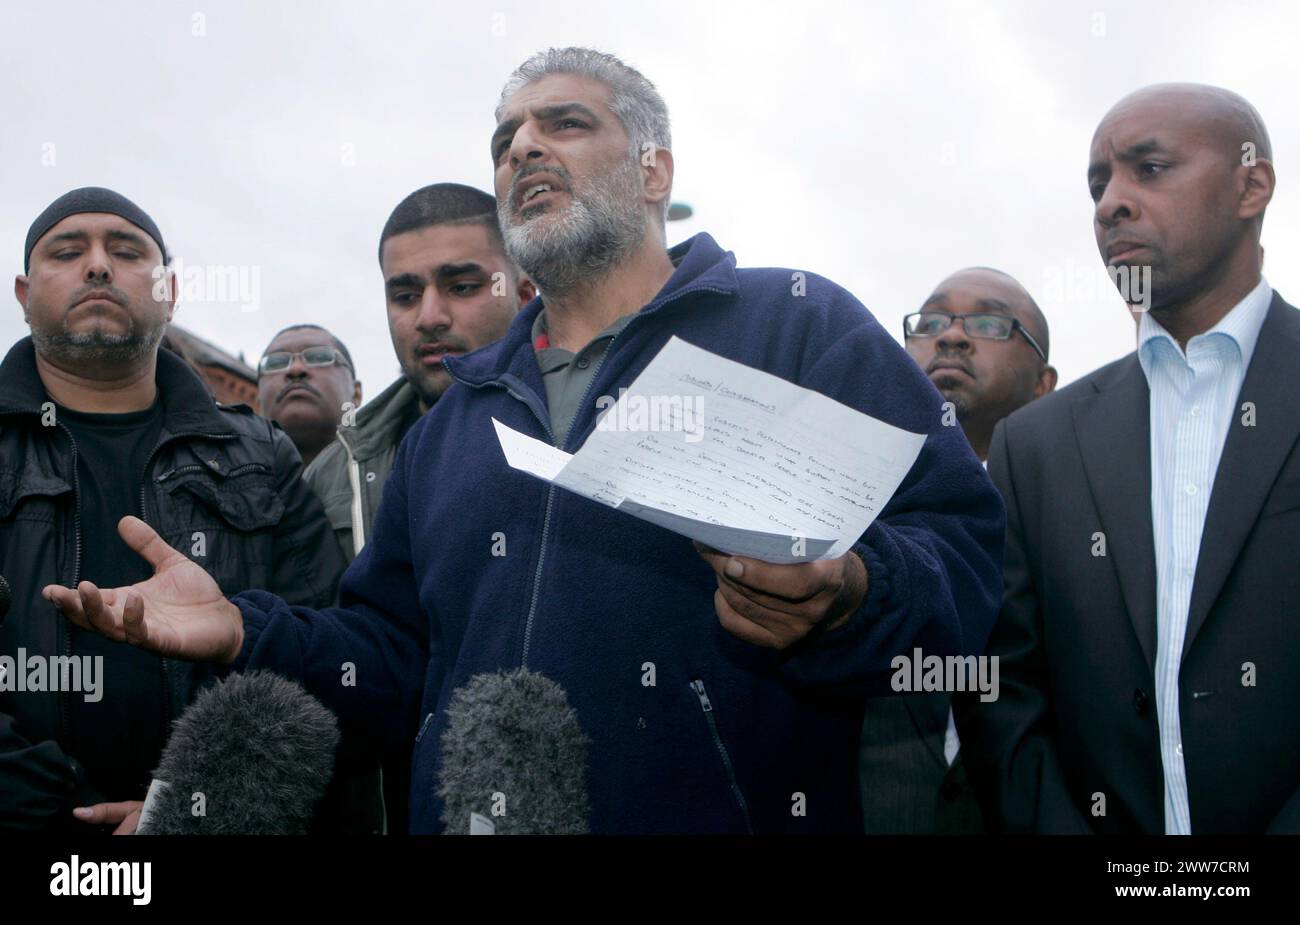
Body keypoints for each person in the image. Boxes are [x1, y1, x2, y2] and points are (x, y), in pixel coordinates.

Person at [47, 49, 1003, 834]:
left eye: (565, 124)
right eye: (505, 140)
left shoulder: (796, 326)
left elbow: (961, 554)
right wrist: (244, 626)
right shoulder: (452, 423)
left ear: (654, 170)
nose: (523, 149)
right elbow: (389, 660)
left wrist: (848, 595)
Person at [955, 83, 1300, 833]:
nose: (1111, 202)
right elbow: (1002, 689)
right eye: (1098, 183)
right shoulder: (1036, 443)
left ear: (1252, 184)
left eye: (1148, 168)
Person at [1, 187, 345, 832]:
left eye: (127, 251)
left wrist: (193, 804)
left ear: (169, 291)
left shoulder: (261, 454)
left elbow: (324, 650)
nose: (98, 266)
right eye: (68, 252)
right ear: (24, 295)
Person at [858, 267, 1055, 833]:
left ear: (1044, 382)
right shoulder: (836, 505)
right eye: (932, 321)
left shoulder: (1083, 527)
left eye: (991, 322)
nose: (951, 336)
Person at [305, 183, 534, 563]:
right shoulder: (332, 475)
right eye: (406, 296)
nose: (429, 318)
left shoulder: (585, 432)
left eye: (461, 287)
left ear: (524, 297)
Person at [256, 325, 362, 469]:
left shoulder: (399, 468)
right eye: (276, 362)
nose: (295, 369)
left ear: (356, 393)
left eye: (319, 357)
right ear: (258, 397)